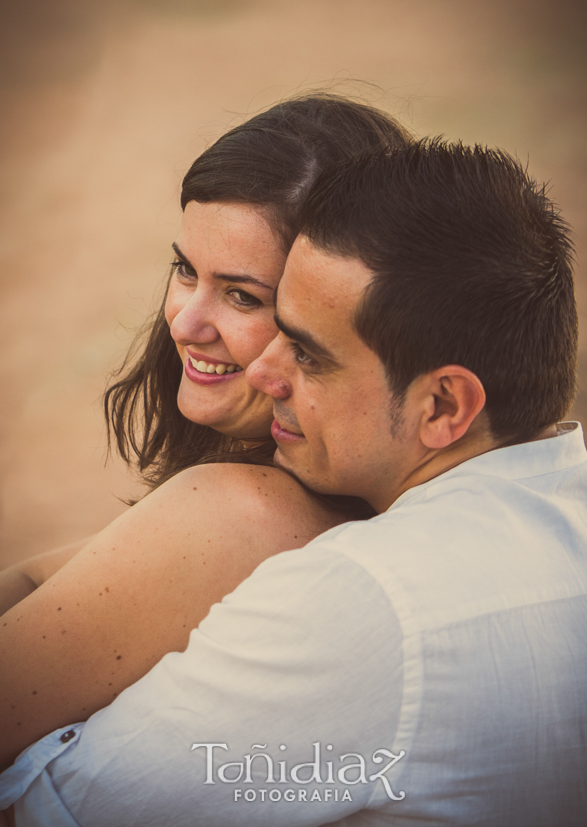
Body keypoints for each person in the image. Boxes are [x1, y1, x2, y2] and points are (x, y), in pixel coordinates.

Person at [2, 139, 587, 827]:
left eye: (310, 355)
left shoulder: (360, 598)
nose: (265, 371)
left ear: (441, 407)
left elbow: (51, 813)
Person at [0, 94, 410, 769]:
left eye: (243, 295)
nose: (184, 321)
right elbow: (35, 577)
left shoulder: (242, 513)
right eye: (185, 269)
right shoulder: (313, 489)